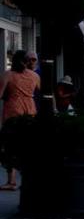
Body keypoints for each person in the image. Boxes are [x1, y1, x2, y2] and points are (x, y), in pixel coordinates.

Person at [0, 50, 40, 191]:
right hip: (30, 110)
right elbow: (42, 94)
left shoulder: (8, 75)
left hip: (12, 112)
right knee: (28, 145)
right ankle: (30, 179)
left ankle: (11, 181)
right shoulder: (35, 76)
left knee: (10, 147)